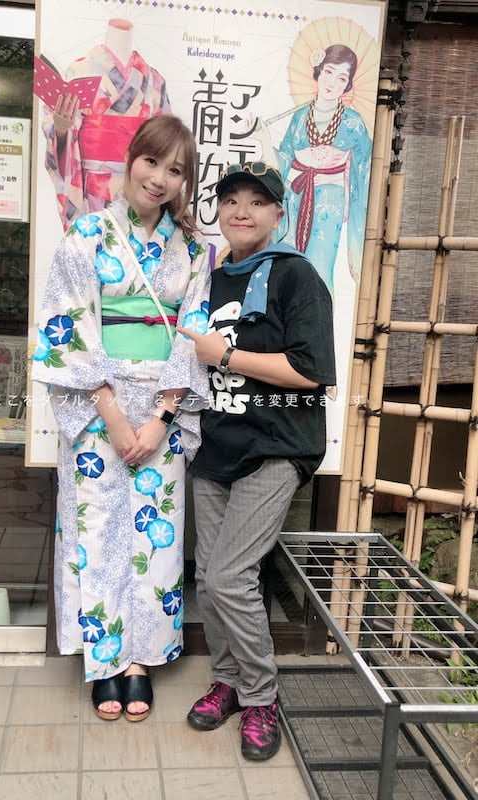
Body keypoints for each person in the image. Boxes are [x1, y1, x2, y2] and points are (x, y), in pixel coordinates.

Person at [32, 115, 209, 723]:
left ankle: (140, 660)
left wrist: (162, 418)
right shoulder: (87, 235)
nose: (159, 179)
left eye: (175, 170)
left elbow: (192, 333)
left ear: (185, 182)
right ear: (131, 159)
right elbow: (68, 325)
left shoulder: (193, 251)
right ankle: (105, 659)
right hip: (96, 403)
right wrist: (110, 414)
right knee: (98, 531)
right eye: (151, 162)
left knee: (157, 540)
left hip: (164, 406)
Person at [178, 161, 335, 760]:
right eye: (231, 200)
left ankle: (262, 696)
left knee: (229, 576)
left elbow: (311, 372)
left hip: (276, 445)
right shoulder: (211, 278)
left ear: (277, 213)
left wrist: (225, 355)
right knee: (209, 579)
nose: (241, 211)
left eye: (257, 201)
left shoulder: (296, 276)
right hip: (217, 444)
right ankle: (228, 681)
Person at [42, 19, 171, 231]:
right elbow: (60, 141)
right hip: (91, 188)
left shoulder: (155, 80)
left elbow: (166, 143)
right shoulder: (79, 70)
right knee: (92, 240)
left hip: (140, 189)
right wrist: (62, 129)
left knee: (137, 243)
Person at [264, 44, 371, 296]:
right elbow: (284, 160)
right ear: (319, 72)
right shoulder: (300, 116)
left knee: (320, 266)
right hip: (295, 194)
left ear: (347, 85)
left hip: (329, 200)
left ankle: (318, 318)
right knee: (285, 262)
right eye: (329, 72)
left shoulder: (353, 122)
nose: (332, 82)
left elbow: (366, 169)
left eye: (342, 78)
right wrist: (263, 139)